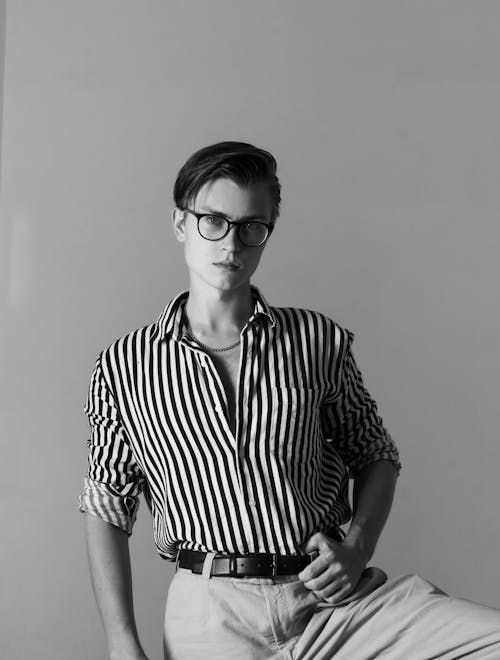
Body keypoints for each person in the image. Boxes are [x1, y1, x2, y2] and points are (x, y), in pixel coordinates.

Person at [79, 141, 500, 660]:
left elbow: (375, 454)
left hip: (330, 604)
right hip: (213, 616)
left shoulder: (316, 340)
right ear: (180, 223)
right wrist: (121, 641)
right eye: (213, 219)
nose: (232, 242)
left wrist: (358, 545)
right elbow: (107, 505)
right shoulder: (125, 364)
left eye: (252, 226)